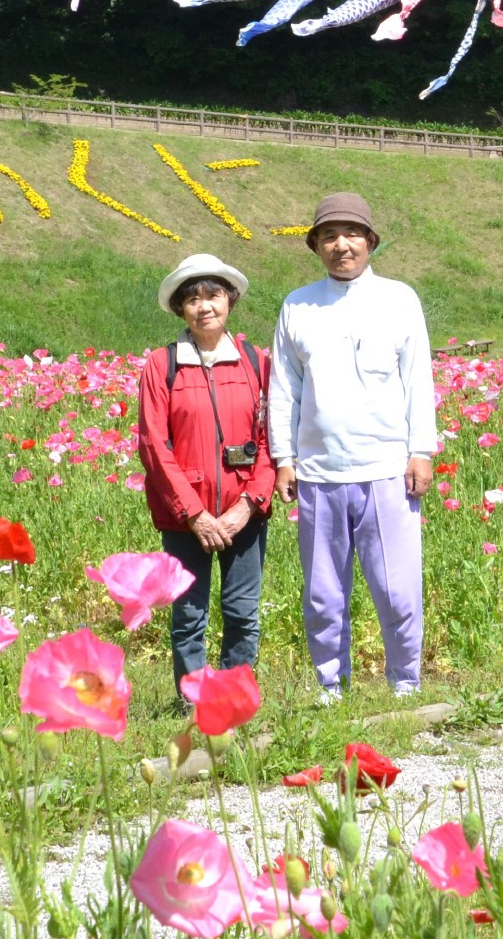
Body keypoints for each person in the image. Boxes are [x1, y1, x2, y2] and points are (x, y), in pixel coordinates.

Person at [270, 193, 438, 702]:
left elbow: (418, 378)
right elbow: (284, 388)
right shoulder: (298, 305)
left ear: (371, 241)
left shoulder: (399, 299)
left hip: (387, 469)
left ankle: (405, 683)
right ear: (315, 246)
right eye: (329, 236)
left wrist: (421, 450)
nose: (341, 245)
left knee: (398, 590)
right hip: (319, 473)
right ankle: (330, 686)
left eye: (352, 234)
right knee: (324, 594)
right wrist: (283, 459)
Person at [135, 253, 276, 698]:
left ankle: (233, 698)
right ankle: (193, 703)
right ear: (180, 309)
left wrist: (248, 505)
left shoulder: (256, 362)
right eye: (192, 299)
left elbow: (272, 439)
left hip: (245, 514)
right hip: (184, 519)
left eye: (213, 295)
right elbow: (154, 445)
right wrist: (194, 514)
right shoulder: (162, 364)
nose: (204, 306)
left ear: (230, 300)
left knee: (242, 613)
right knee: (189, 616)